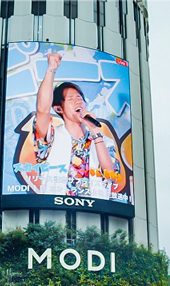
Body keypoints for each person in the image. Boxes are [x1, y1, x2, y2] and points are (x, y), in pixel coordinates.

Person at [33, 51, 120, 200]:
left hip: (94, 213)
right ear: (59, 108)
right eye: (71, 99)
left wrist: (95, 132)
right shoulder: (51, 136)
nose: (78, 101)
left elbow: (110, 175)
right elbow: (42, 110)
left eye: (80, 98)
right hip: (55, 211)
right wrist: (51, 69)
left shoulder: (104, 142)